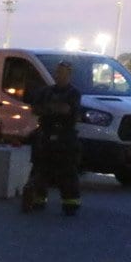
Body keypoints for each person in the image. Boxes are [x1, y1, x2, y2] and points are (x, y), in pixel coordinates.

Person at [23, 61, 82, 216]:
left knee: (67, 172)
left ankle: (70, 204)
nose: (58, 75)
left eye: (62, 72)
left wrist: (48, 109)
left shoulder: (73, 93)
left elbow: (66, 109)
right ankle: (38, 200)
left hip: (65, 138)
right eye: (57, 72)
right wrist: (54, 108)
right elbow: (35, 109)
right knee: (40, 169)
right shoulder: (46, 91)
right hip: (46, 136)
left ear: (69, 74)